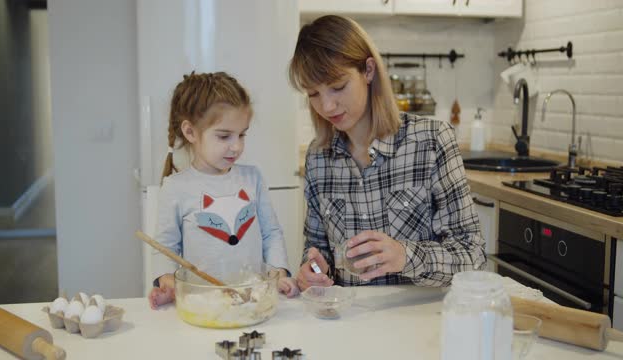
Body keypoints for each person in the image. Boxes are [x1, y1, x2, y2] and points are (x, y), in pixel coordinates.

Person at [289, 15, 486, 290]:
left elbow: (472, 256)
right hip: (351, 321)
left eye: (338, 87)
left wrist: (405, 256)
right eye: (313, 94)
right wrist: (312, 271)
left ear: (368, 71)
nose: (328, 106)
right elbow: (317, 253)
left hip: (420, 319)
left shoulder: (431, 140)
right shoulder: (318, 157)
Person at [148, 71, 298, 309]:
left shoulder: (252, 178)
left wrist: (279, 272)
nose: (236, 146)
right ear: (190, 132)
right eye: (224, 136)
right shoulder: (176, 188)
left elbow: (271, 233)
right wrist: (168, 283)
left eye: (241, 135)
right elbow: (165, 249)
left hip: (253, 300)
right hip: (202, 303)